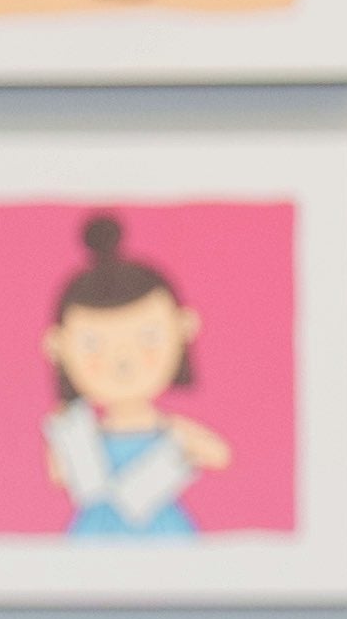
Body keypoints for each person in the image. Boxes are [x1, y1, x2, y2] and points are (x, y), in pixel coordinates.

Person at [41, 206, 230, 539]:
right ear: (58, 348)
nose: (122, 360)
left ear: (184, 329)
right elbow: (60, 474)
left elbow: (219, 454)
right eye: (93, 345)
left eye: (148, 338)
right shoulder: (84, 434)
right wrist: (66, 432)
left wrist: (179, 448)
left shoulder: (172, 431)